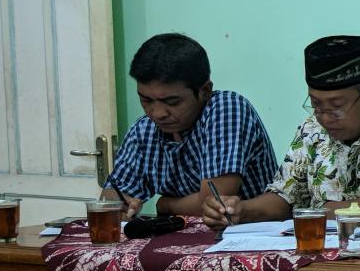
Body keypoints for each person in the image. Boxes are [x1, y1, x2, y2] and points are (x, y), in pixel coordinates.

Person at [201, 35, 360, 228]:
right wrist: (240, 209)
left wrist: (311, 212)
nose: (324, 117)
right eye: (316, 104)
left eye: (336, 106)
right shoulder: (311, 128)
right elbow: (283, 198)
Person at [109, 33, 277, 220]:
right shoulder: (144, 130)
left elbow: (213, 204)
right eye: (146, 100)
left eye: (172, 102)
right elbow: (110, 198)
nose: (158, 113)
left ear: (205, 91)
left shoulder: (226, 108)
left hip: (246, 233)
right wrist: (120, 206)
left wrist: (166, 205)